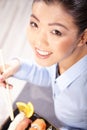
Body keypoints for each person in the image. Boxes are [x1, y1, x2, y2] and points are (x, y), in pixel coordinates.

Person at [0, 0, 87, 129]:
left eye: (56, 32)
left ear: (83, 37)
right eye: (34, 24)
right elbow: (49, 75)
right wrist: (17, 67)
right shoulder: (64, 55)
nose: (39, 41)